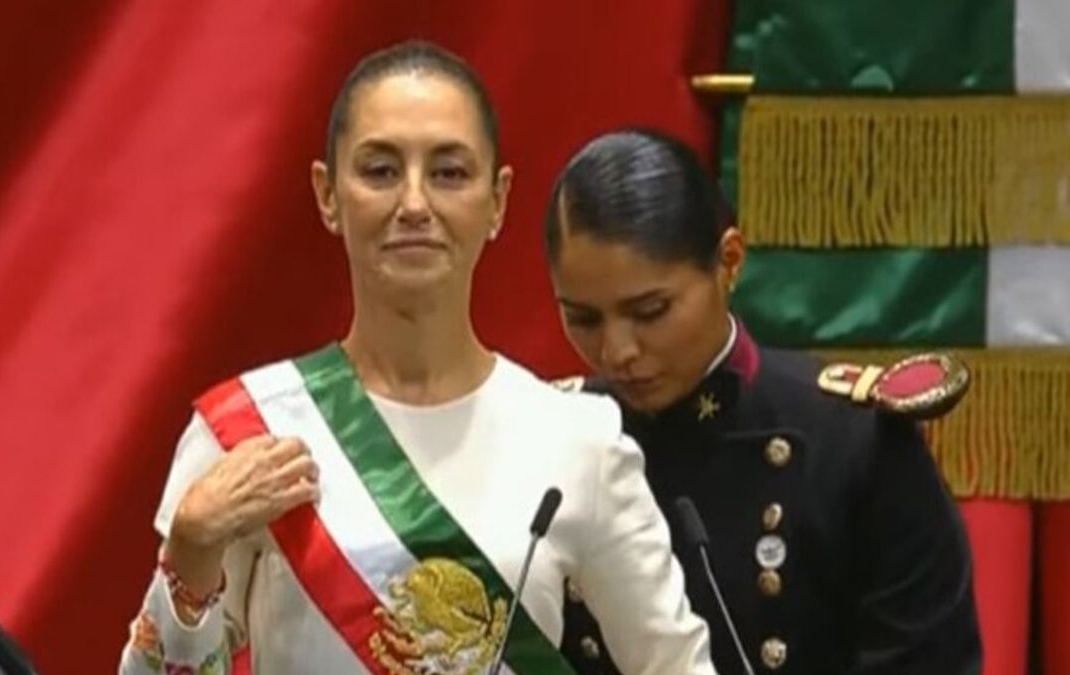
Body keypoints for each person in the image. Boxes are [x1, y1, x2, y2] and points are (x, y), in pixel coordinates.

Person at [118, 44, 717, 675]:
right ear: (328, 194)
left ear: (498, 200)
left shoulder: (577, 441)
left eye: (450, 173)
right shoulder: (246, 432)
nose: (413, 204)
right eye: (379, 170)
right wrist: (191, 549)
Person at [544, 129, 983, 675]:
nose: (617, 351)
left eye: (651, 310)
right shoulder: (550, 439)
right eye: (583, 318)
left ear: (728, 262)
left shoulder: (851, 442)